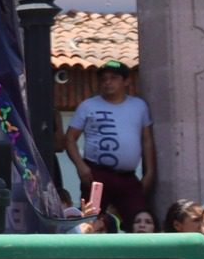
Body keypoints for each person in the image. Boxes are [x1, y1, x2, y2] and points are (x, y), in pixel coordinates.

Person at [64, 60, 154, 231]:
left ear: (126, 81)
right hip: (96, 174)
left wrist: (149, 172)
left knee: (139, 220)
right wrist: (81, 167)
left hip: (128, 177)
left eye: (114, 78)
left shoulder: (139, 106)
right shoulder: (88, 105)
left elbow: (147, 140)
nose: (108, 82)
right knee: (92, 221)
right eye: (104, 79)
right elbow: (70, 139)